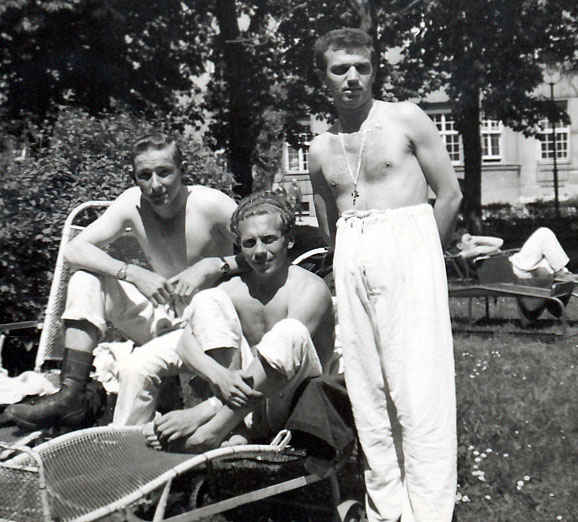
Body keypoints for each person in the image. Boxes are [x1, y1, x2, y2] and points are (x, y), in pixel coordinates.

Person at [308, 29, 463, 522]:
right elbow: (330, 225)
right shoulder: (320, 149)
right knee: (367, 387)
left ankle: (431, 510)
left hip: (409, 252)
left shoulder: (405, 118)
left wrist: (419, 259)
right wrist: (349, 262)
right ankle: (387, 507)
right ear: (323, 77)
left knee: (419, 387)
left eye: (362, 67)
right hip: (353, 258)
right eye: (339, 69)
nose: (352, 78)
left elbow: (451, 195)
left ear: (375, 70)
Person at [5, 133, 245, 431]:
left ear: (183, 170)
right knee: (85, 278)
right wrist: (131, 272)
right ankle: (71, 395)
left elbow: (269, 252)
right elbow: (74, 249)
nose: (155, 185)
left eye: (164, 172)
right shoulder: (133, 204)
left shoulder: (211, 204)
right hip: (162, 313)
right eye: (144, 175)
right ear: (134, 178)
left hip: (208, 323)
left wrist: (215, 265)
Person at [112, 191, 335, 453]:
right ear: (239, 247)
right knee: (208, 300)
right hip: (243, 404)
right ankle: (125, 451)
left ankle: (211, 431)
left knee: (290, 331)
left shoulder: (309, 289)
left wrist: (205, 410)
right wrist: (221, 377)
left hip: (295, 404)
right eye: (250, 243)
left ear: (289, 240)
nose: (260, 251)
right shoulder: (235, 288)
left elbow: (285, 357)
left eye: (269, 240)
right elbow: (185, 344)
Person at [457, 227, 578, 282]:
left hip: (516, 265)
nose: (472, 241)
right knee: (543, 233)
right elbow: (498, 244)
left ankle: (563, 272)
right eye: (467, 240)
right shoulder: (465, 254)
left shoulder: (477, 251)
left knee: (546, 256)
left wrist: (474, 238)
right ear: (459, 246)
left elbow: (499, 242)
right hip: (513, 268)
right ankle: (562, 272)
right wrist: (474, 243)